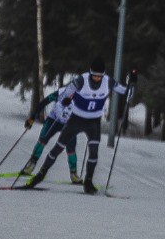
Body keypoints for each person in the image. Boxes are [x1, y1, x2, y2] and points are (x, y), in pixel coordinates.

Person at [26, 59, 134, 194]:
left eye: (99, 76)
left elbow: (126, 92)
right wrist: (66, 99)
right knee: (58, 148)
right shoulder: (81, 80)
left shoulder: (108, 81)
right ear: (90, 73)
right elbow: (67, 91)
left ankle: (88, 182)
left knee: (94, 151)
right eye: (94, 75)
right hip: (76, 120)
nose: (96, 78)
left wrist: (131, 86)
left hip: (94, 122)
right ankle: (40, 175)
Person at [21, 86, 77, 181]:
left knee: (71, 149)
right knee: (42, 140)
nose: (71, 94)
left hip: (69, 124)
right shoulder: (60, 92)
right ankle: (31, 164)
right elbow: (44, 102)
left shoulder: (82, 97)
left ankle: (74, 174)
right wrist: (32, 118)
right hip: (53, 120)